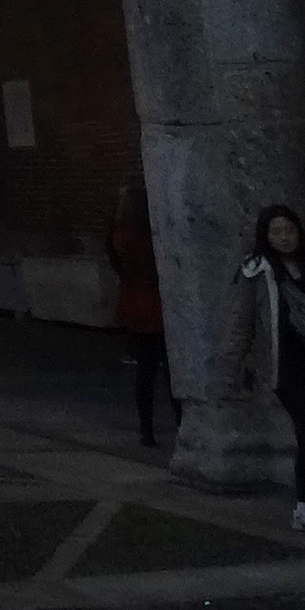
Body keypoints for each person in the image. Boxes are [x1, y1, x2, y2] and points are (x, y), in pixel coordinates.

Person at [215, 204, 305, 539]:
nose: (284, 238)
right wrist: (231, 368)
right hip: (285, 366)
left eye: (290, 230)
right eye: (276, 232)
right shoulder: (255, 271)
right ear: (265, 235)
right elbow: (240, 323)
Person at [108, 181, 175, 451]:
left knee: (145, 371)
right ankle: (182, 422)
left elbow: (116, 262)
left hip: (134, 303)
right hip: (158, 303)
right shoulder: (154, 236)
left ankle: (146, 429)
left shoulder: (120, 234)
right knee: (171, 370)